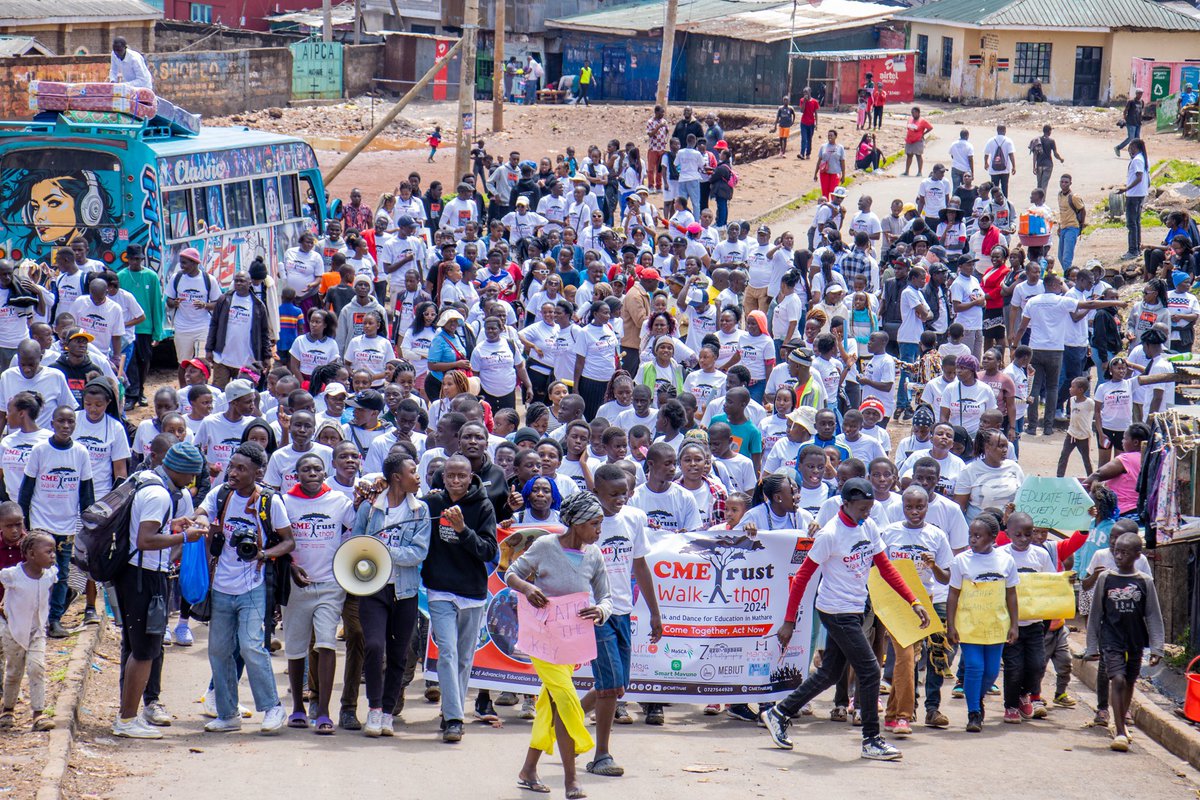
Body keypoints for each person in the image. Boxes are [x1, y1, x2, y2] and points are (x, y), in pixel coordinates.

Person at [761, 478, 929, 760]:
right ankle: (871, 740)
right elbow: (802, 577)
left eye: (870, 508)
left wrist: (913, 600)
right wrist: (789, 621)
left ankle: (779, 713)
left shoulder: (869, 526)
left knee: (829, 673)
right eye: (862, 508)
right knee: (871, 670)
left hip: (854, 607)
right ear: (846, 504)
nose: (866, 514)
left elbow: (885, 568)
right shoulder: (830, 534)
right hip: (835, 611)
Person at [507, 491, 611, 797]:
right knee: (566, 702)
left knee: (549, 706)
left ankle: (528, 769)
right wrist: (527, 588)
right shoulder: (545, 547)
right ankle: (571, 779)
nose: (598, 530)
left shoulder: (594, 555)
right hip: (542, 641)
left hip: (572, 644)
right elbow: (512, 573)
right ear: (576, 524)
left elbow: (606, 597)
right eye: (594, 524)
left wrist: (601, 610)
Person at [195, 443, 293, 734]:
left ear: (257, 472)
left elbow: (288, 541)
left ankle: (273, 707)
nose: (233, 472)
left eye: (241, 468)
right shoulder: (221, 493)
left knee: (251, 646)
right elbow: (202, 510)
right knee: (219, 650)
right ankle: (227, 714)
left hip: (253, 585)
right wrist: (201, 518)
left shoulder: (269, 501)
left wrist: (263, 554)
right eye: (231, 466)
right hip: (222, 586)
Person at [110, 442, 204, 738]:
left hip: (132, 573)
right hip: (145, 576)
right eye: (190, 476)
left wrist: (173, 525)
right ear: (178, 470)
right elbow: (146, 540)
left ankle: (128, 714)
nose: (191, 482)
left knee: (136, 646)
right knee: (145, 650)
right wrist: (184, 537)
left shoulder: (145, 482)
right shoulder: (159, 493)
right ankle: (126, 721)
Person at [579, 464, 662, 775]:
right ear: (597, 492)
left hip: (623, 610)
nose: (619, 499)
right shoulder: (585, 522)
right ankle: (601, 755)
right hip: (594, 611)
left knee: (617, 686)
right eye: (612, 495)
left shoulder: (635, 518)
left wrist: (654, 611)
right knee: (610, 685)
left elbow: (639, 565)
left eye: (624, 493)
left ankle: (563, 719)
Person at [421, 453, 498, 741]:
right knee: (448, 652)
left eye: (461, 476)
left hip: (472, 593)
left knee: (465, 658)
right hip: (440, 590)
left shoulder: (483, 506)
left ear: (470, 477)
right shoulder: (432, 504)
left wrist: (462, 530)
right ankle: (455, 718)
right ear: (442, 477)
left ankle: (449, 710)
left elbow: (489, 551)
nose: (455, 481)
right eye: (450, 475)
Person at [1083, 532, 1164, 751]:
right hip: (1111, 638)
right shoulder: (1106, 579)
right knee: (1117, 679)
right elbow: (1096, 614)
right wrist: (1091, 646)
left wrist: (1157, 647)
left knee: (1129, 681)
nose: (1118, 556)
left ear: (1138, 555)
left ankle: (1120, 723)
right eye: (1116, 551)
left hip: (1135, 639)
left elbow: (1153, 615)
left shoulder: (1144, 582)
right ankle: (1119, 730)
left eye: (1124, 552)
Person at [20, 406, 92, 638]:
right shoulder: (40, 450)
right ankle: (33, 619)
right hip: (41, 523)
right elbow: (27, 489)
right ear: (52, 423)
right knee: (36, 572)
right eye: (61, 421)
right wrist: (25, 524)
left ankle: (55, 620)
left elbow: (86, 492)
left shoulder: (81, 453)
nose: (66, 426)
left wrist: (89, 526)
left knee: (61, 573)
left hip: (67, 525)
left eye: (70, 422)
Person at [946, 512, 1019, 732]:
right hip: (969, 624)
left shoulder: (1006, 560)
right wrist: (951, 625)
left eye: (978, 536)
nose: (972, 539)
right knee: (975, 667)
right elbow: (953, 594)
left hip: (996, 625)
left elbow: (1012, 594)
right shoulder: (961, 561)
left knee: (992, 672)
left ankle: (976, 699)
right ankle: (974, 712)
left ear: (993, 537)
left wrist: (1014, 624)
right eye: (971, 535)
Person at [0, 530, 57, 732]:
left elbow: (45, 597)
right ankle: (8, 710)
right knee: (14, 672)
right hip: (14, 631)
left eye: (54, 551)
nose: (53, 556)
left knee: (37, 668)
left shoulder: (50, 575)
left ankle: (38, 714)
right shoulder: (12, 575)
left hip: (37, 632)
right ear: (31, 554)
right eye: (49, 552)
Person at [1116, 139, 1149, 260]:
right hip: (1139, 193)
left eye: (1131, 147)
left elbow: (1139, 177)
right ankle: (1137, 247)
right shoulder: (1142, 158)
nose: (1129, 150)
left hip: (1134, 195)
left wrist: (1126, 188)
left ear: (1135, 147)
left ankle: (1133, 250)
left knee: (1131, 223)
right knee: (1136, 222)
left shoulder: (1137, 160)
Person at [982, 125, 1016, 198]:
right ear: (1005, 130)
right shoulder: (1008, 141)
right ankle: (1005, 203)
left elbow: (986, 154)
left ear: (997, 131)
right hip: (1005, 169)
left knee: (994, 188)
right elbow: (1011, 155)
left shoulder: (991, 140)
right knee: (1004, 187)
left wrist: (986, 163)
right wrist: (1014, 166)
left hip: (994, 169)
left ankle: (994, 202)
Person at [1030, 125, 1063, 193]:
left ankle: (1038, 200)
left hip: (1039, 165)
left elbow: (1035, 155)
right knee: (1044, 185)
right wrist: (1060, 159)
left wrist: (1034, 166)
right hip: (1048, 165)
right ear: (1049, 131)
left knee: (1039, 184)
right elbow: (1055, 154)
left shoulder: (1037, 140)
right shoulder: (1051, 141)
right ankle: (1042, 201)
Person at [814, 130, 845, 200]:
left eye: (831, 135)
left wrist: (843, 175)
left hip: (835, 173)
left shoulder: (840, 148)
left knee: (833, 192)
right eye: (828, 135)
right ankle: (826, 208)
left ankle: (833, 208)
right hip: (824, 173)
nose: (830, 137)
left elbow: (842, 162)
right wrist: (815, 173)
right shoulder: (823, 147)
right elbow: (819, 160)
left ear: (835, 137)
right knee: (825, 193)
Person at [902, 106, 933, 176]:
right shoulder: (910, 119)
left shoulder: (922, 120)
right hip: (909, 140)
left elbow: (930, 127)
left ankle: (919, 172)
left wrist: (923, 134)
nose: (913, 114)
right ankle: (906, 171)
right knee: (909, 155)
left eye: (914, 112)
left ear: (918, 113)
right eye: (912, 113)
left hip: (918, 140)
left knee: (918, 155)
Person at [1115, 88, 1145, 157]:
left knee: (1137, 139)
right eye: (1139, 93)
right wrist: (1125, 119)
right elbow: (1125, 111)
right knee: (1131, 138)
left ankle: (1135, 153)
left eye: (1141, 94)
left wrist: (1140, 121)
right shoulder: (1131, 101)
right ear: (1136, 94)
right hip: (1131, 122)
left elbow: (1140, 112)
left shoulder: (1141, 102)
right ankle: (1118, 148)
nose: (1140, 95)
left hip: (1138, 122)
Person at [797, 88, 819, 160]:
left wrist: (816, 123)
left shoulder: (815, 101)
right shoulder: (802, 100)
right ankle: (802, 153)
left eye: (806, 92)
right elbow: (802, 111)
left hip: (811, 123)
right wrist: (804, 102)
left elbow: (815, 113)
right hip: (803, 123)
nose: (805, 94)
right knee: (804, 138)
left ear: (810, 92)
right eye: (804, 93)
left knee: (809, 139)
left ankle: (808, 153)